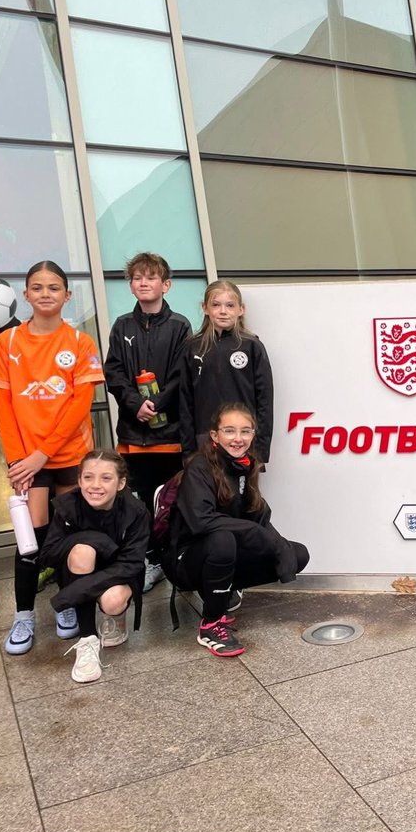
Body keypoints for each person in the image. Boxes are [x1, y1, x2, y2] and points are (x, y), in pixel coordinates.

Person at [0, 261, 104, 655]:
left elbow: (78, 406)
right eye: (38, 287)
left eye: (54, 287)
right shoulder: (7, 343)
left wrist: (42, 454)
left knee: (69, 535)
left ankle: (65, 605)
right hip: (26, 463)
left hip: (70, 458)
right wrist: (21, 460)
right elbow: (3, 406)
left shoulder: (81, 344)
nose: (46, 293)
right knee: (30, 540)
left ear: (67, 296)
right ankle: (23, 615)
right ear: (26, 295)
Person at [167, 402, 308, 656]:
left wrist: (280, 547)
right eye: (229, 431)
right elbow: (201, 521)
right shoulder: (199, 467)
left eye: (245, 431)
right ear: (215, 435)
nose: (237, 438)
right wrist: (256, 534)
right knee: (222, 541)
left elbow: (259, 517)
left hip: (221, 553)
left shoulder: (246, 465)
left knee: (297, 554)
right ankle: (210, 624)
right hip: (185, 560)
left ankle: (220, 591)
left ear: (253, 434)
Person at [103, 252, 191, 594]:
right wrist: (135, 403)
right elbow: (113, 372)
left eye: (151, 278)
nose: (143, 283)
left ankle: (173, 558)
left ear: (165, 285)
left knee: (170, 499)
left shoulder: (180, 325)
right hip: (133, 435)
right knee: (138, 501)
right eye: (137, 278)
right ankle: (150, 560)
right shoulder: (122, 326)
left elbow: (182, 374)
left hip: (169, 435)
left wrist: (157, 403)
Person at [39, 450, 148, 683]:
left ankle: (115, 618)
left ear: (121, 483)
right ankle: (87, 640)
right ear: (79, 481)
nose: (95, 485)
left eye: (106, 478)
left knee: (113, 601)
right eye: (88, 477)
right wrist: (92, 538)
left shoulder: (136, 511)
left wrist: (72, 594)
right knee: (82, 552)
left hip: (119, 572)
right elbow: (48, 555)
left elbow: (132, 564)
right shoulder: (67, 506)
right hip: (80, 569)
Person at [180, 281, 273, 465]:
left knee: (241, 493)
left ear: (241, 309)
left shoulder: (252, 346)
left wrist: (260, 450)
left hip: (242, 441)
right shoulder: (192, 347)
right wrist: (188, 451)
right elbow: (185, 401)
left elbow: (265, 401)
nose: (223, 311)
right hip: (204, 440)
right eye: (216, 305)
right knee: (206, 493)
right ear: (205, 308)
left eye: (230, 305)